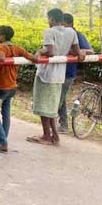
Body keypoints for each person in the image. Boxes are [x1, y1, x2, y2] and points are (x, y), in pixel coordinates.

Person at [28, 8, 84, 146]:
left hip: (46, 74)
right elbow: (77, 52)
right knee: (52, 106)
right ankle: (55, 136)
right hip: (60, 74)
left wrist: (39, 51)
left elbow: (50, 52)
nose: (48, 21)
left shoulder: (49, 31)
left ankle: (47, 136)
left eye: (48, 19)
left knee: (43, 105)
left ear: (52, 19)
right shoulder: (71, 32)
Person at [0, 25, 38, 153]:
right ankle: (2, 140)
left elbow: (0, 57)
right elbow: (33, 58)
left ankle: (3, 142)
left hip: (1, 88)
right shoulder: (17, 48)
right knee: (5, 113)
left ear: (3, 36)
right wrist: (40, 56)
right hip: (12, 88)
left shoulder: (2, 47)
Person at [59, 13, 93, 133]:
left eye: (62, 24)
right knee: (60, 99)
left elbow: (90, 50)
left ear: (69, 24)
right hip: (57, 72)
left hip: (68, 73)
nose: (60, 26)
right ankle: (63, 125)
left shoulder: (78, 35)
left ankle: (55, 129)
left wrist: (81, 51)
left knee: (58, 100)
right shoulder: (60, 35)